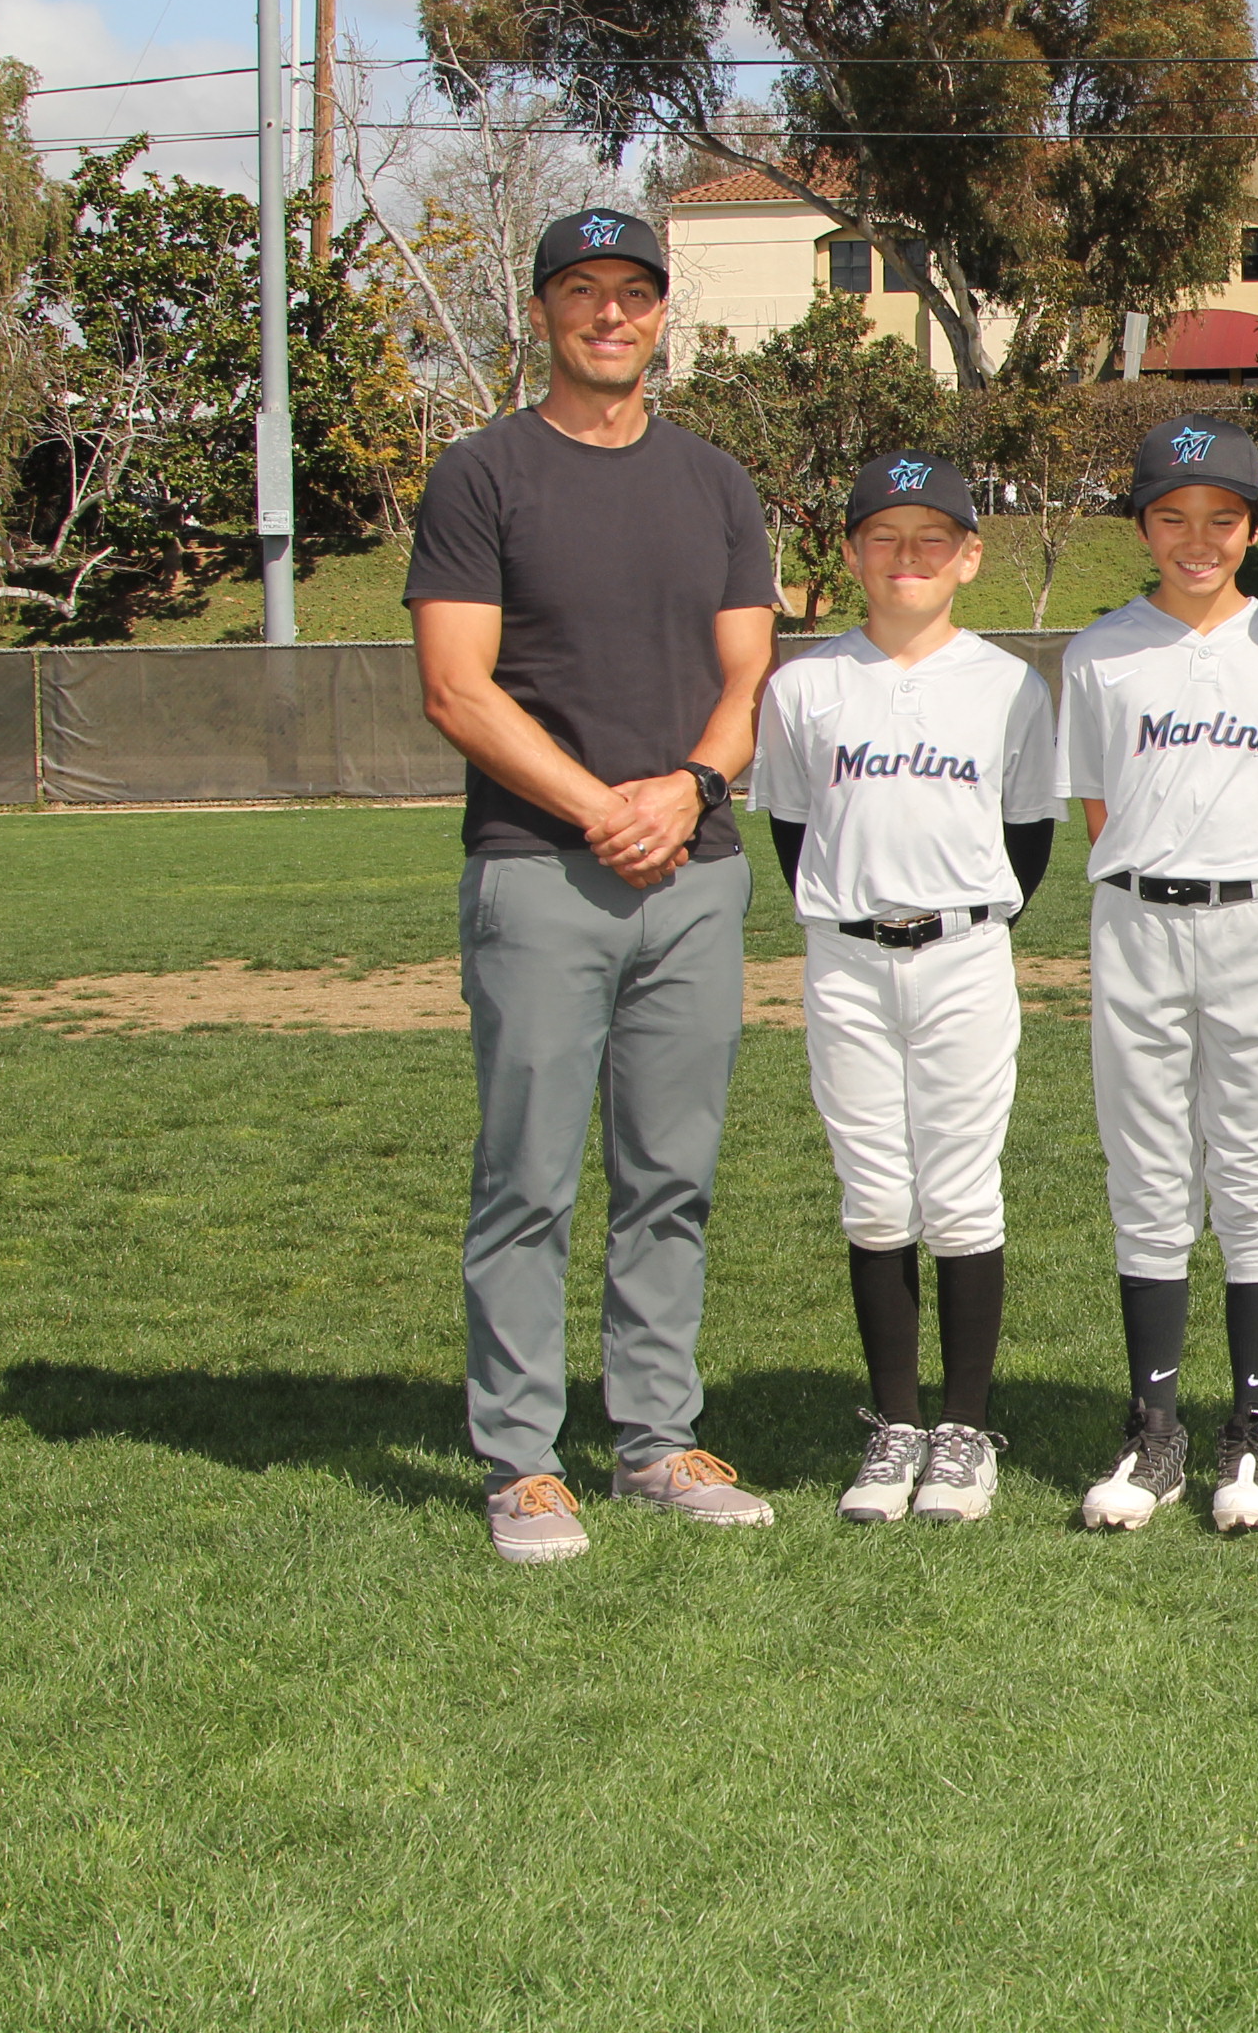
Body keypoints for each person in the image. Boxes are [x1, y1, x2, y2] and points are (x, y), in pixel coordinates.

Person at [405, 206, 781, 1565]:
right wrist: (602, 808)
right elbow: (457, 688)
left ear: (662, 314)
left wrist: (688, 791)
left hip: (694, 872)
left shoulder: (714, 483)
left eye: (633, 292)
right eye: (582, 291)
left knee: (670, 1174)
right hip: (539, 871)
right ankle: (521, 1461)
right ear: (544, 311)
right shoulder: (482, 474)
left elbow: (749, 677)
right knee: (528, 1177)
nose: (609, 314)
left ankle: (656, 1441)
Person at [753, 452, 1060, 1527]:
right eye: (884, 536)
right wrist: (861, 913)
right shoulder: (804, 687)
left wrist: (958, 917)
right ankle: (894, 1426)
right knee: (876, 1192)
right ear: (850, 553)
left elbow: (1028, 839)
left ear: (969, 556)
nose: (907, 556)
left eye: (933, 538)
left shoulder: (1009, 685)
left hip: (965, 953)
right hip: (845, 958)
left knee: (962, 1192)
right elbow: (793, 831)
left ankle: (964, 1432)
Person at [1058, 415, 1258, 1535]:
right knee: (1150, 1171)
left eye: (1222, 518)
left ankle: (1254, 1428)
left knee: (1254, 1171)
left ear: (1254, 526)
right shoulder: (1100, 653)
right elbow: (1099, 809)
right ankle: (1154, 1427)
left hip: (1255, 919)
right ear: (1142, 527)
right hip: (1136, 920)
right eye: (1172, 517)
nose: (1197, 539)